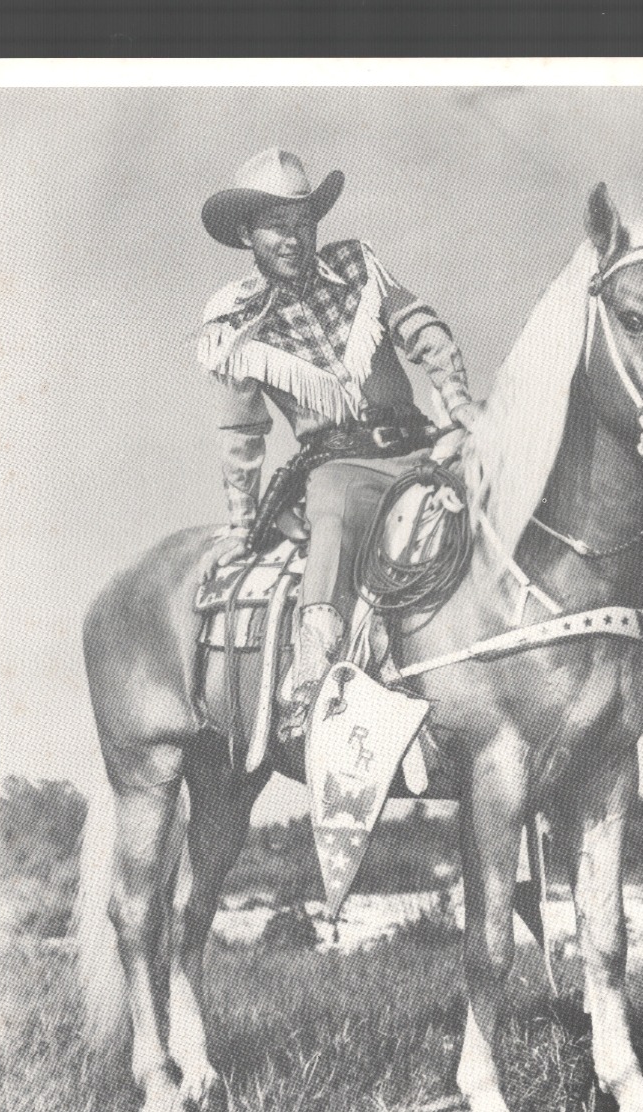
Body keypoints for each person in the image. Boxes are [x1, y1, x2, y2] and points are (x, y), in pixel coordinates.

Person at [198, 149, 480, 737]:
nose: (294, 237)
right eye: (277, 225)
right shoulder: (234, 320)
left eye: (303, 222)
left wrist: (457, 406)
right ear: (247, 234)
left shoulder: (357, 266)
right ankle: (312, 674)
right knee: (333, 513)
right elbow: (242, 434)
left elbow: (423, 331)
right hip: (339, 463)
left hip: (419, 446)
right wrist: (241, 525)